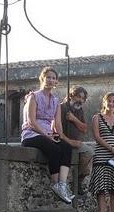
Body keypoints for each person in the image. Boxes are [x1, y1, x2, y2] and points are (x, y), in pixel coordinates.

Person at [21, 66, 74, 204]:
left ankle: (62, 185)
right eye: (48, 77)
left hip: (48, 134)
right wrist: (46, 135)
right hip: (32, 134)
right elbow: (31, 122)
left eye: (54, 78)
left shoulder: (56, 101)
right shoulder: (33, 97)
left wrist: (60, 136)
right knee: (53, 148)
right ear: (42, 78)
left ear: (56, 82)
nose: (51, 80)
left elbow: (57, 124)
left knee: (66, 147)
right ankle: (55, 185)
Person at [60, 86, 94, 195]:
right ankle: (70, 181)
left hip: (76, 142)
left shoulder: (80, 111)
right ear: (71, 96)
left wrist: (74, 119)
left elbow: (84, 128)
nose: (80, 100)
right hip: (63, 141)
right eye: (78, 97)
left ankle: (78, 180)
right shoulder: (62, 108)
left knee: (89, 152)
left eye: (83, 98)